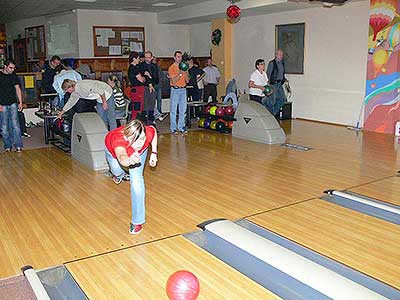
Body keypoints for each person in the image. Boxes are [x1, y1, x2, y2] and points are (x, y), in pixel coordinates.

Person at [105, 119, 158, 235]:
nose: (140, 143)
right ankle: (118, 175)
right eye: (136, 140)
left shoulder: (146, 133)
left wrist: (154, 153)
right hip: (114, 153)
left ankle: (137, 221)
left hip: (137, 154)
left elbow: (153, 131)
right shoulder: (118, 140)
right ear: (127, 137)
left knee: (137, 180)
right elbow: (122, 157)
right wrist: (129, 160)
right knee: (117, 170)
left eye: (143, 139)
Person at [0, 59, 23, 152]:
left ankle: (18, 146)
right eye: (10, 68)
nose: (12, 70)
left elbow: (17, 88)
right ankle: (7, 146)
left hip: (13, 103)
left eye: (14, 68)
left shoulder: (13, 75)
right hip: (2, 104)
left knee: (16, 125)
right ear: (5, 66)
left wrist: (20, 102)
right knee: (4, 127)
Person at [168, 51, 189, 135]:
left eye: (180, 57)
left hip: (183, 90)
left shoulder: (184, 67)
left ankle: (181, 127)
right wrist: (180, 73)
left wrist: (186, 72)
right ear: (174, 58)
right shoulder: (172, 68)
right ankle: (173, 128)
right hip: (175, 90)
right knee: (173, 110)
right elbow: (173, 81)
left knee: (183, 110)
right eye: (178, 57)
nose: (179, 58)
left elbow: (187, 80)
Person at [266, 49, 287, 117]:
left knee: (282, 99)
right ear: (276, 55)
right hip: (273, 84)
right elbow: (268, 74)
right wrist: (268, 85)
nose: (281, 56)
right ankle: (270, 114)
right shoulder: (272, 63)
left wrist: (284, 79)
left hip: (279, 84)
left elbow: (282, 73)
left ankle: (273, 113)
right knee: (272, 101)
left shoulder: (282, 63)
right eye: (280, 54)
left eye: (282, 55)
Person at [139, 51, 159, 125]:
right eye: (146, 57)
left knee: (151, 106)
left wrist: (150, 76)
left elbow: (157, 80)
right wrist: (149, 82)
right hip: (144, 88)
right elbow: (142, 79)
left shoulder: (154, 66)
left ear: (151, 58)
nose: (147, 59)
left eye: (148, 57)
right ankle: (144, 123)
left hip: (153, 88)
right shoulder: (141, 66)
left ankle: (151, 123)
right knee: (144, 106)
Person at [128, 51, 146, 120]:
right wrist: (144, 77)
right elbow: (141, 80)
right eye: (138, 58)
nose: (139, 60)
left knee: (135, 108)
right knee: (137, 109)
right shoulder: (134, 68)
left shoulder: (132, 67)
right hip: (137, 90)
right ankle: (134, 125)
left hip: (135, 90)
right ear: (134, 59)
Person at [152, 57, 167, 121]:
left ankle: (160, 112)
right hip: (153, 86)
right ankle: (155, 114)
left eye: (156, 60)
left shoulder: (158, 67)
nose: (155, 61)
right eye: (154, 60)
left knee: (159, 100)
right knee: (152, 100)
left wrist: (162, 82)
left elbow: (162, 75)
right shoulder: (150, 67)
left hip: (159, 86)